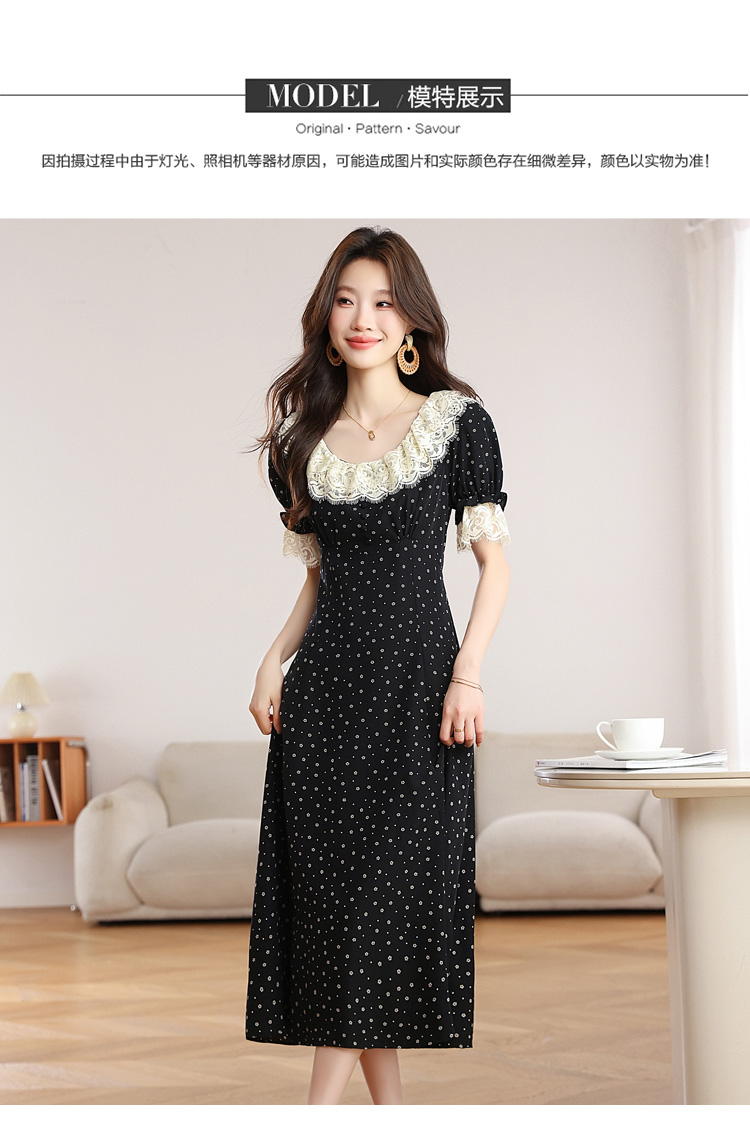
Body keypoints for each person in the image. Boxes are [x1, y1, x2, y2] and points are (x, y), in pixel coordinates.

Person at [246, 226, 511, 1105]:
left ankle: (315, 1112)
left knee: (379, 914)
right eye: (347, 300)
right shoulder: (299, 444)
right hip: (323, 707)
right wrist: (272, 660)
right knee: (341, 925)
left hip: (419, 702)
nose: (364, 316)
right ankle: (391, 1112)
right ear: (327, 322)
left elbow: (495, 568)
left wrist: (467, 676)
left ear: (410, 322)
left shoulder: (457, 424)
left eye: (385, 301)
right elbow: (317, 584)